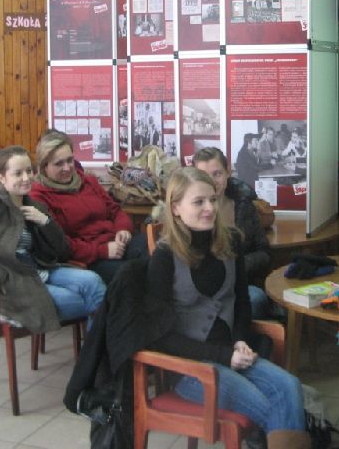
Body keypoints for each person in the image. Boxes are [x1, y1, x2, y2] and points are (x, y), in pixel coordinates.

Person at [146, 167, 310, 448]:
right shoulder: (164, 256)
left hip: (232, 353)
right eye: (198, 202)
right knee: (269, 407)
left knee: (289, 385)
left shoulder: (230, 240)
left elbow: (242, 302)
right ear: (175, 208)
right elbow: (159, 336)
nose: (210, 208)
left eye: (212, 199)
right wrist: (224, 355)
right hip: (191, 368)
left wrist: (241, 340)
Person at [0, 146, 106, 333]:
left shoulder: (36, 206)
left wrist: (46, 222)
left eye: (29, 171)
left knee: (94, 283)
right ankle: (95, 350)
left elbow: (63, 251)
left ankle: (93, 351)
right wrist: (0, 276)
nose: (26, 178)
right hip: (13, 282)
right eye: (18, 173)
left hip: (41, 270)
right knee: (88, 301)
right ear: (1, 178)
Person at [29, 132, 148, 284]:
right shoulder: (39, 196)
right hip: (89, 257)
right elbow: (62, 243)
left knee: (157, 251)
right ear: (44, 167)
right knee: (130, 275)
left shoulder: (88, 181)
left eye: (70, 160)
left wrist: (123, 229)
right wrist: (103, 251)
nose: (67, 168)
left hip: (117, 242)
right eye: (59, 164)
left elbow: (115, 210)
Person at [193, 147, 274, 320]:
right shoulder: (188, 209)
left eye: (217, 174)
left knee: (257, 299)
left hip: (240, 284)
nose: (211, 182)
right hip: (200, 289)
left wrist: (236, 267)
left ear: (228, 172)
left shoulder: (243, 204)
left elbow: (263, 252)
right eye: (204, 176)